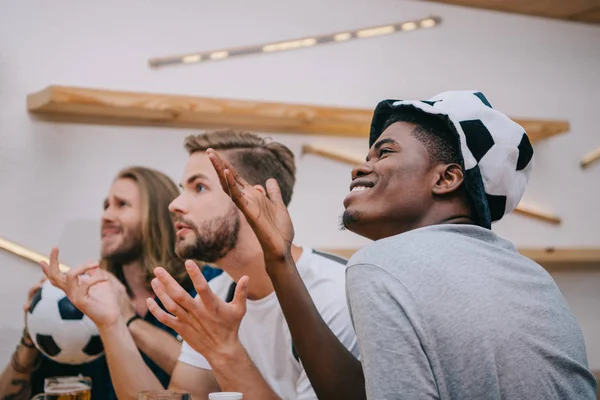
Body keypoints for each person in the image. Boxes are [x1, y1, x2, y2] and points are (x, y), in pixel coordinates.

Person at [209, 91, 598, 399]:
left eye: (386, 152)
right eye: (368, 155)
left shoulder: (382, 264)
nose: (360, 167)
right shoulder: (529, 272)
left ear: (446, 179)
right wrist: (279, 257)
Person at [40, 130, 359, 400]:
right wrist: (111, 324)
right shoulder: (217, 290)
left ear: (252, 200)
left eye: (199, 187)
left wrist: (224, 350)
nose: (175, 205)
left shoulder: (336, 293)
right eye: (182, 190)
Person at [0, 166, 221, 400]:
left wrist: (125, 319)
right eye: (106, 206)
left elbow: (215, 381)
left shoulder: (208, 287)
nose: (105, 216)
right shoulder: (81, 299)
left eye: (121, 205)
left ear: (157, 215)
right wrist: (32, 335)